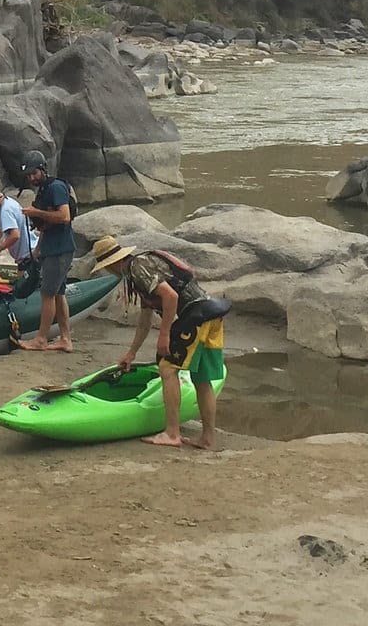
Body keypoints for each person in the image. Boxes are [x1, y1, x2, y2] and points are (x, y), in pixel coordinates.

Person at [96, 235, 225, 449]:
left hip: (194, 316)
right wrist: (131, 353)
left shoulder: (138, 268)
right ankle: (207, 437)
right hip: (211, 313)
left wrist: (164, 334)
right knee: (202, 378)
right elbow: (145, 319)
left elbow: (171, 297)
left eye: (106, 267)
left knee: (167, 369)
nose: (108, 272)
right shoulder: (141, 269)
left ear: (114, 263)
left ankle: (172, 433)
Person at [19, 151, 75, 352]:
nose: (32, 178)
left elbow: (64, 216)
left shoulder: (56, 187)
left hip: (60, 250)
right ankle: (65, 339)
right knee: (58, 294)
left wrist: (36, 213)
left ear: (42, 169)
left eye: (34, 173)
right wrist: (37, 249)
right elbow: (47, 225)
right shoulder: (43, 190)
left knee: (47, 294)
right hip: (53, 247)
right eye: (29, 176)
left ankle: (41, 339)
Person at [0, 176, 35, 268]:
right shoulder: (7, 203)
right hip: (27, 251)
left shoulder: (6, 210)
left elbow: (15, 235)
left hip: (27, 254)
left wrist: (0, 248)